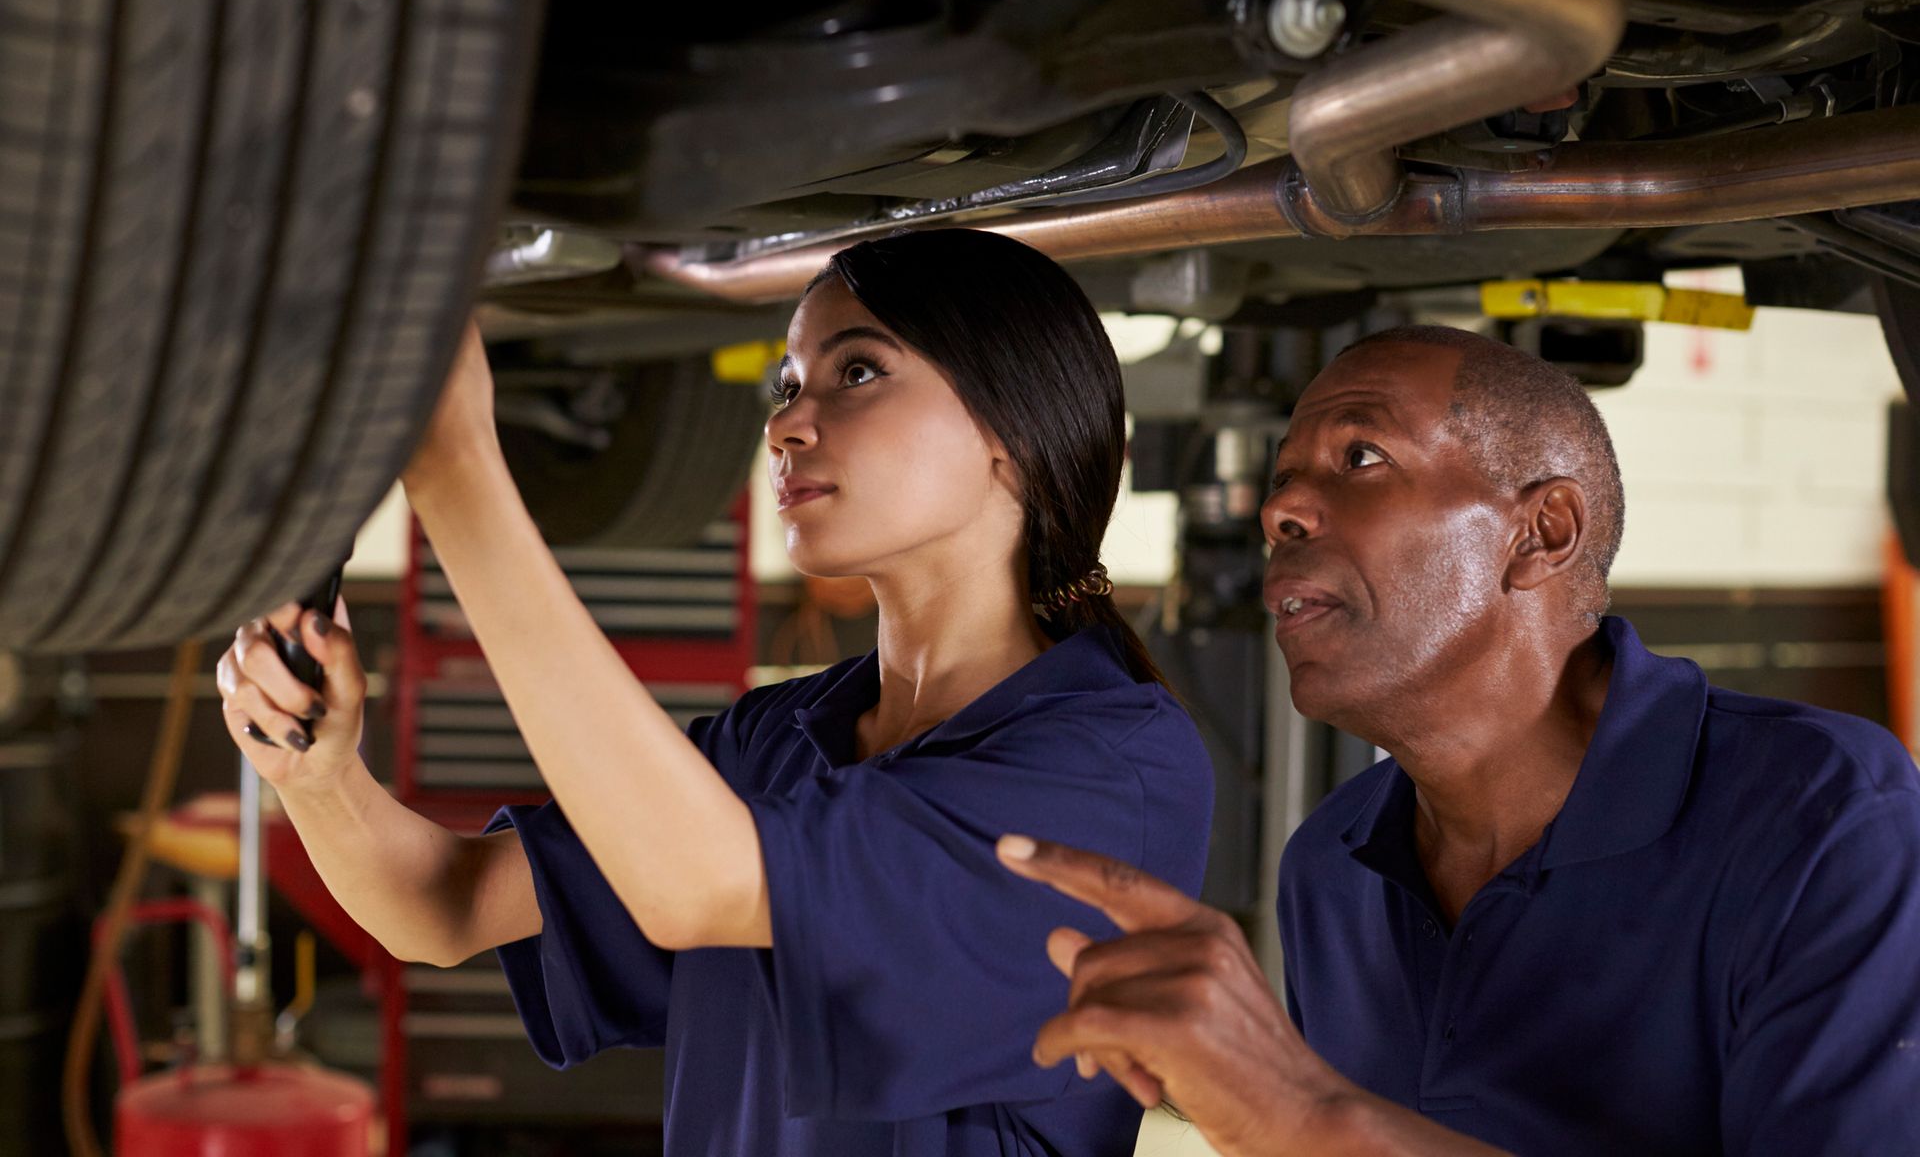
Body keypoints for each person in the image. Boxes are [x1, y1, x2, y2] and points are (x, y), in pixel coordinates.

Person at [213, 228, 1214, 1155]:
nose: (787, 424)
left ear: (1015, 432)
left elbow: (707, 885)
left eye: (857, 371)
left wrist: (459, 465)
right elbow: (446, 904)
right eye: (788, 383)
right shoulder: (780, 737)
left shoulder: (1107, 766)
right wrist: (317, 771)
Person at [996, 324, 1920, 1156]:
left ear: (1542, 532)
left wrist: (1306, 1117)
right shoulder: (1332, 865)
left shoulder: (1827, 818)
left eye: (1359, 456)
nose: (1279, 514)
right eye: (1282, 481)